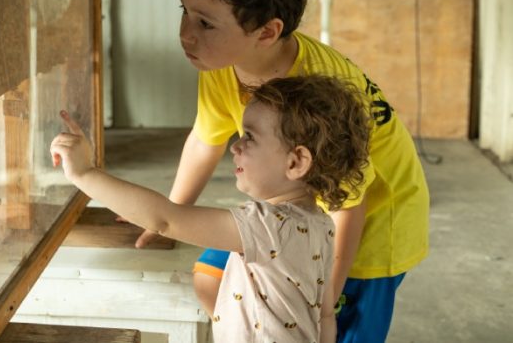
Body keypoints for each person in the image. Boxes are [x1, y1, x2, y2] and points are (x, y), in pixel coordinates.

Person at [131, 0, 429, 342]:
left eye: (206, 23)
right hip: (292, 214)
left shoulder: (317, 90)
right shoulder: (222, 64)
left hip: (374, 221)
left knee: (337, 329)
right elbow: (205, 138)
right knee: (210, 277)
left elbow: (349, 206)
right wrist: (166, 216)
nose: (186, 34)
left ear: (267, 32)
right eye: (185, 11)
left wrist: (323, 298)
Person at [51, 74, 372, 343]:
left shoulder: (266, 226)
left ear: (295, 162)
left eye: (250, 137)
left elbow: (164, 219)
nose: (235, 145)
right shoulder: (321, 223)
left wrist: (85, 173)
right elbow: (325, 314)